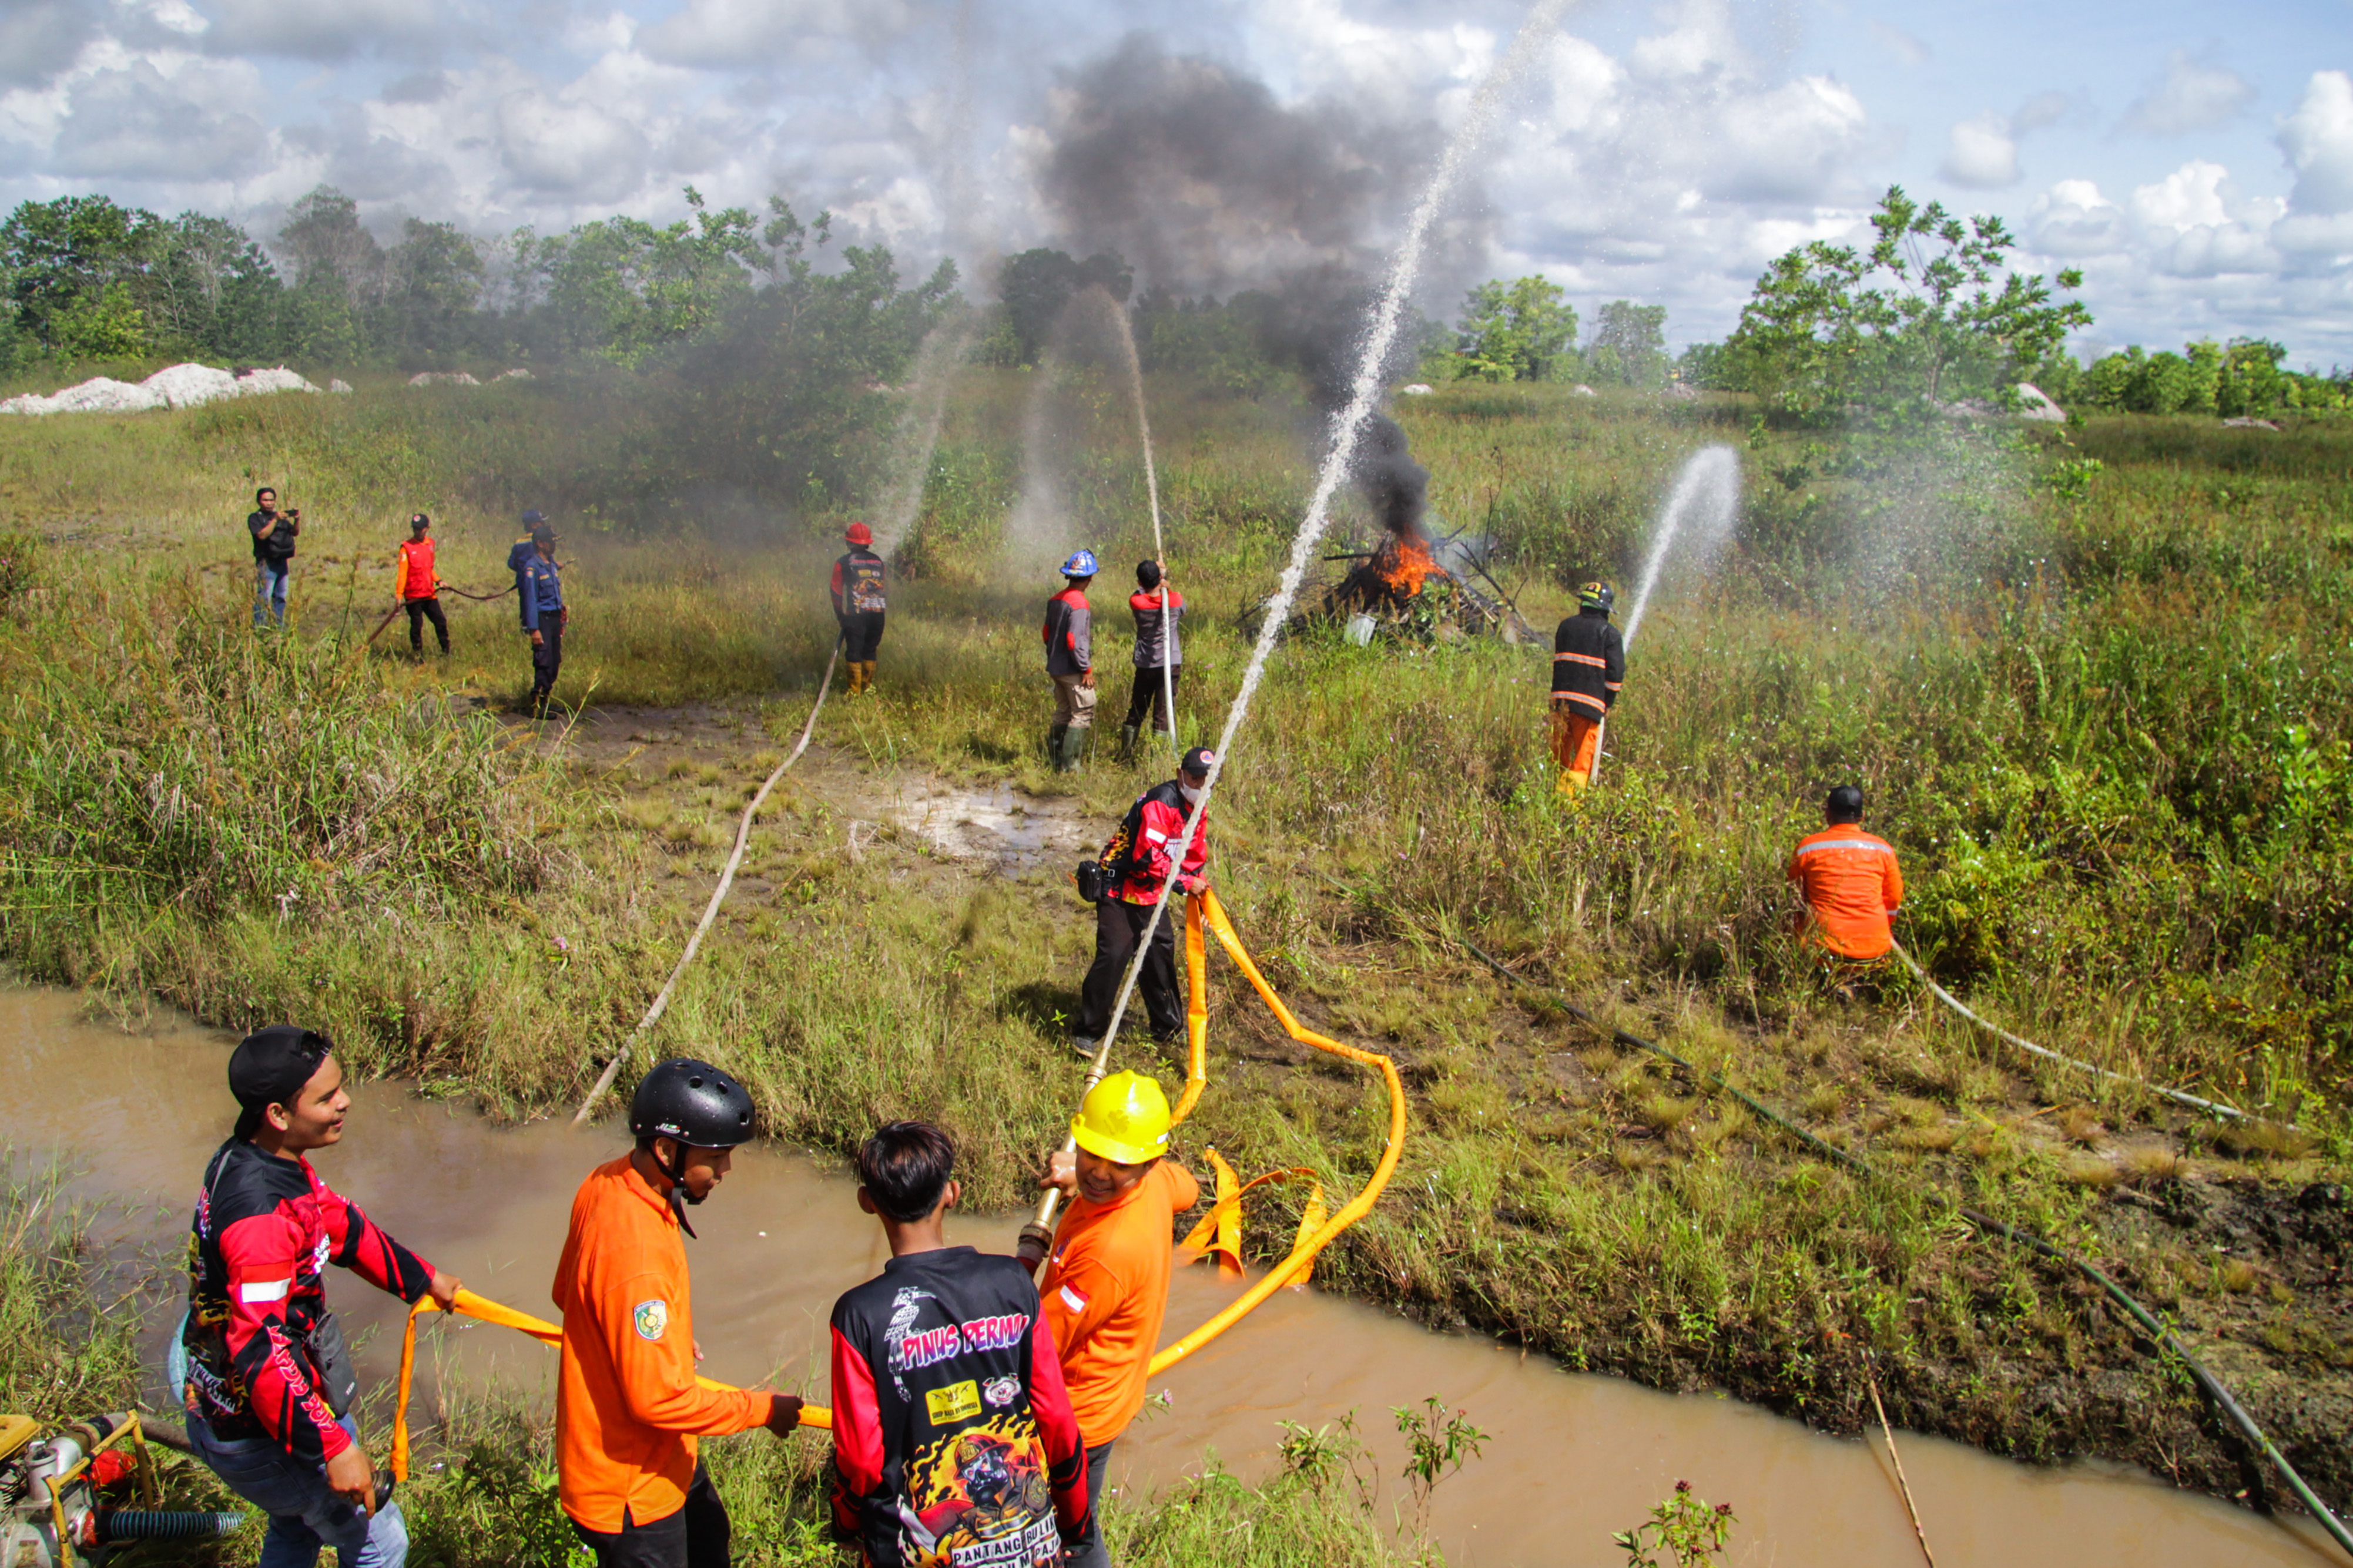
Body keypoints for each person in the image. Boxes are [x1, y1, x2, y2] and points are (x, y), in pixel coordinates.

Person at [178, 1025, 460, 1568]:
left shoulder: (259, 1156)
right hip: (258, 1426)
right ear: (279, 1113)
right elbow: (260, 1349)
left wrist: (423, 1280)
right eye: (327, 1097)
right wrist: (333, 1445)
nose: (345, 1102)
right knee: (381, 1542)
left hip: (232, 1401)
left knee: (297, 1524)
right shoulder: (261, 1220)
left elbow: (340, 1225)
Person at [552, 1059, 803, 1568]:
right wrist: (761, 1410)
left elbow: (568, 1293)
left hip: (665, 1460)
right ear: (667, 1150)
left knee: (712, 1536)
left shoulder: (608, 1180)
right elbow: (657, 1400)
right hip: (629, 1492)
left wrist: (649, 1342)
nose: (726, 1171)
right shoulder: (638, 1254)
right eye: (716, 1157)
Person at [828, 1122, 1090, 1568]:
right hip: (1031, 1546)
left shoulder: (860, 1315)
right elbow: (1057, 1419)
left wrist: (845, 1522)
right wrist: (1076, 1522)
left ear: (867, 1201)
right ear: (952, 1192)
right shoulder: (1011, 1283)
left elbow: (863, 1456)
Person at [1034, 1073, 1199, 1568]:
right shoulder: (1155, 1184)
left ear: (1146, 1162)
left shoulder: (1107, 1251)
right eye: (1091, 1153)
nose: (1099, 1172)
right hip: (1112, 1394)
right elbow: (1187, 1186)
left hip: (1076, 1416)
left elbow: (1036, 1344)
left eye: (1118, 1164)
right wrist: (1077, 1182)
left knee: (1072, 1536)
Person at [1072, 747, 1213, 1054]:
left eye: (1208, 780)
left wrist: (1202, 895)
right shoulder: (1161, 803)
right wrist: (1187, 883)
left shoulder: (1198, 809)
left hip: (1152, 892)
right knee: (1114, 957)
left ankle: (1167, 1029)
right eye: (1195, 778)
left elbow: (1192, 857)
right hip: (1119, 888)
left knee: (1159, 956)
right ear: (1180, 775)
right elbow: (1147, 856)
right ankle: (1088, 1032)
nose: (1200, 786)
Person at [1786, 785, 1905, 962]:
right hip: (1876, 950)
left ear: (1828, 814)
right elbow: (1894, 898)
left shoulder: (1808, 848)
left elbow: (1793, 898)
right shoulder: (1883, 849)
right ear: (1862, 816)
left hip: (1824, 953)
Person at [1549, 581, 1625, 794]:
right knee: (1582, 760)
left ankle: (1551, 795)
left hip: (1560, 703)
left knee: (1557, 755)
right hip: (1589, 706)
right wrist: (1607, 703)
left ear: (1583, 604)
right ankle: (1567, 807)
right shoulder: (1610, 634)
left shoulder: (1565, 626)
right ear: (1605, 610)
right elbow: (1615, 676)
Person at [1117, 560, 1182, 761]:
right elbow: (1183, 608)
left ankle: (1125, 755)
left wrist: (1158, 579)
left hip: (1146, 664)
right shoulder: (1175, 600)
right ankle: (1157, 761)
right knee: (1162, 714)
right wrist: (1166, 582)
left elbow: (1140, 592)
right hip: (1170, 664)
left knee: (1137, 710)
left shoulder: (1137, 602)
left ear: (1140, 581)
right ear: (1160, 580)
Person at [1043, 550, 1098, 773]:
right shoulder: (1079, 603)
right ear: (1090, 577)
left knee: (1063, 712)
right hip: (1072, 668)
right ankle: (1071, 765)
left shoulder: (1056, 599)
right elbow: (1074, 640)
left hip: (1056, 667)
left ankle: (1055, 761)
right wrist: (1086, 669)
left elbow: (1046, 633)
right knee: (1083, 712)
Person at [830, 522, 888, 696]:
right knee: (870, 649)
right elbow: (883, 586)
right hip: (878, 614)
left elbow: (835, 590)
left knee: (854, 651)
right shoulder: (878, 561)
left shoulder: (843, 563)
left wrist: (840, 614)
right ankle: (868, 688)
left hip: (856, 615)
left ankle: (854, 693)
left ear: (849, 542)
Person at [517, 517, 567, 715]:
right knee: (543, 661)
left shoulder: (550, 564)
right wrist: (534, 629)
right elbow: (530, 601)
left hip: (555, 619)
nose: (554, 544)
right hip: (543, 621)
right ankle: (536, 706)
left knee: (555, 661)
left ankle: (546, 700)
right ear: (540, 544)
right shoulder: (532, 568)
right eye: (551, 541)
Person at [393, 513, 449, 657]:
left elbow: (429, 568)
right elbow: (402, 573)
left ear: (427, 528)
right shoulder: (406, 547)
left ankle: (446, 653)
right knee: (417, 626)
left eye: (420, 529)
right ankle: (418, 657)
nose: (417, 532)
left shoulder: (430, 544)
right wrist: (399, 595)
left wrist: (439, 581)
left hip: (429, 594)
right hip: (414, 596)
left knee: (441, 621)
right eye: (415, 529)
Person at [247, 487, 301, 630]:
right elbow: (262, 535)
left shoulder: (281, 517)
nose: (269, 503)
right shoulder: (255, 518)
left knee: (281, 597)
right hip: (266, 562)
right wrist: (275, 520)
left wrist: (296, 520)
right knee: (264, 598)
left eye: (271, 500)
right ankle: (260, 628)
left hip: (282, 561)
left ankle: (279, 628)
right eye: (265, 500)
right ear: (259, 501)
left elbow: (295, 533)